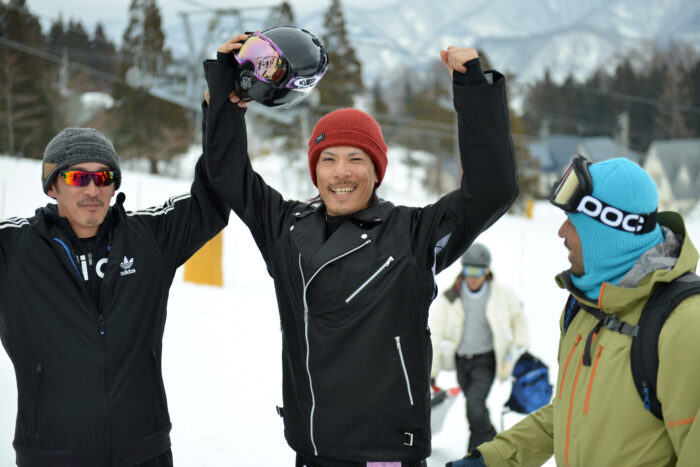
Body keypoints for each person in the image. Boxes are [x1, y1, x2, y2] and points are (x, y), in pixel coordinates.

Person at [203, 31, 518, 466]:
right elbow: (227, 174)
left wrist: (474, 92)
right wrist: (225, 91)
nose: (340, 173)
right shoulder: (286, 227)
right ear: (315, 172)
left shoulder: (412, 233)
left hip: (384, 452)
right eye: (328, 159)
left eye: (356, 159)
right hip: (311, 450)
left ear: (377, 171)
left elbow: (492, 190)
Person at [447, 156, 700, 466]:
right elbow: (569, 414)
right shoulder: (587, 308)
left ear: (611, 231)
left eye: (574, 222)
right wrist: (492, 459)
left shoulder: (685, 324)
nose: (561, 232)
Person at [0, 127, 229, 466]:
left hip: (144, 452)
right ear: (53, 185)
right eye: (78, 177)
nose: (92, 189)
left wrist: (223, 112)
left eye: (103, 177)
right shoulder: (14, 250)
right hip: (50, 455)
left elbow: (212, 199)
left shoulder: (148, 238)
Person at [429, 243, 528, 451]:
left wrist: (520, 346)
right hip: (462, 362)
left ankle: (476, 455)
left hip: (486, 360)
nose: (473, 277)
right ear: (462, 270)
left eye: (479, 271)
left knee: (474, 405)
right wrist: (432, 371)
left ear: (487, 271)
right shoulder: (450, 297)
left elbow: (518, 318)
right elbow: (435, 335)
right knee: (476, 407)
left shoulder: (500, 294)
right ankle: (494, 443)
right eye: (468, 271)